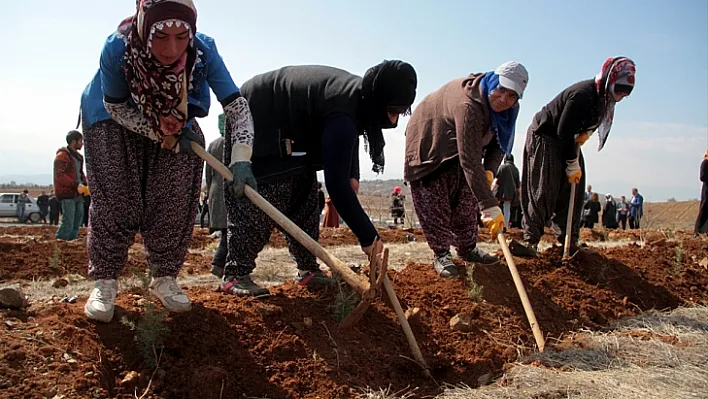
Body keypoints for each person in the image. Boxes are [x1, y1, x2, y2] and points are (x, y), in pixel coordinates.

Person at [79, 0, 254, 322]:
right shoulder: (118, 48)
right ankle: (105, 282)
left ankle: (164, 278)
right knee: (116, 200)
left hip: (175, 118)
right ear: (145, 28)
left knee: (174, 199)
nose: (171, 48)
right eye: (160, 37)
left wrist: (242, 159)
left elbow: (237, 106)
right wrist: (159, 133)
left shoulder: (203, 51)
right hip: (110, 119)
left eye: (180, 37)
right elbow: (116, 105)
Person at [221, 61, 417, 297]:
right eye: (392, 111)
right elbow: (336, 186)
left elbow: (351, 133)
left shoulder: (361, 99)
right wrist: (370, 239)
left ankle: (307, 270)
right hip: (261, 113)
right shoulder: (343, 109)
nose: (394, 121)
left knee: (305, 197)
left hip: (294, 127)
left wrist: (352, 175)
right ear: (378, 101)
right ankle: (234, 274)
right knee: (268, 193)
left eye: (399, 113)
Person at [404, 61, 529, 278]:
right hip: (429, 140)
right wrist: (489, 205)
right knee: (435, 198)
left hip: (463, 145)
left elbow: (500, 143)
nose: (503, 100)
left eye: (512, 96)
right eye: (501, 90)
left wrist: (489, 171)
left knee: (466, 198)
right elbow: (470, 160)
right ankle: (441, 254)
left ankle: (467, 248)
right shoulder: (469, 103)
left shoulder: (510, 110)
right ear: (494, 81)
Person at [512, 57, 636, 258]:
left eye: (627, 92)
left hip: (567, 140)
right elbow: (563, 130)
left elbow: (579, 129)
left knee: (575, 188)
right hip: (545, 135)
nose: (622, 95)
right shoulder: (582, 94)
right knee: (545, 187)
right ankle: (531, 241)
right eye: (620, 88)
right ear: (609, 80)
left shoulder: (603, 100)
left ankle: (568, 241)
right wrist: (570, 162)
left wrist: (584, 136)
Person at [205, 114, 228, 278]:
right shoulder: (235, 144)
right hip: (230, 191)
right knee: (232, 231)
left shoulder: (213, 144)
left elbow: (208, 172)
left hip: (215, 189)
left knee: (227, 230)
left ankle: (223, 265)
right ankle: (219, 263)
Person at [54, 130, 88, 240]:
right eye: (80, 141)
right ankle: (61, 242)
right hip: (67, 193)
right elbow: (60, 175)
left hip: (78, 193)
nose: (82, 143)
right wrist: (75, 184)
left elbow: (80, 173)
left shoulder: (79, 157)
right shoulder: (62, 156)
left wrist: (86, 183)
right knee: (68, 220)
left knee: (78, 219)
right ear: (73, 142)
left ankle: (71, 242)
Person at [493, 153, 520, 229]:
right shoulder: (516, 169)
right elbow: (518, 185)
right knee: (507, 208)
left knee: (497, 207)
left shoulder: (502, 167)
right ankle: (505, 225)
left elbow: (497, 180)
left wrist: (492, 190)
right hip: (511, 193)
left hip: (500, 192)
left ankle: (497, 223)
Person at [695, 151, 708, 236]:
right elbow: (702, 177)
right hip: (707, 189)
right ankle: (698, 230)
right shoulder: (705, 162)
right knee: (704, 208)